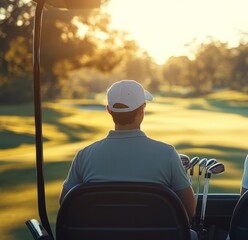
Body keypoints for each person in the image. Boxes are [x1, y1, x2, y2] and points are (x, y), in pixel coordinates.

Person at [59, 80, 196, 225]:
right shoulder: (167, 154)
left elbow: (65, 203)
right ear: (142, 109)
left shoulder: (84, 156)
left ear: (109, 110)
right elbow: (190, 209)